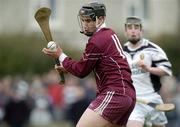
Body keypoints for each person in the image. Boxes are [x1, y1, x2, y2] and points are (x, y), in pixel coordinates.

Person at [42, 2, 136, 127]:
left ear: (101, 19)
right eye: (83, 21)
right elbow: (88, 66)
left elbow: (81, 70)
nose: (85, 25)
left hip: (114, 94)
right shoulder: (109, 34)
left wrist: (60, 55)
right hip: (128, 96)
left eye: (88, 21)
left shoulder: (97, 40)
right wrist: (67, 67)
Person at [123, 16, 172, 127]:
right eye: (130, 27)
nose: (133, 30)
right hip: (133, 101)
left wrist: (148, 69)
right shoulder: (120, 52)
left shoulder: (153, 49)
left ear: (141, 31)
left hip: (153, 99)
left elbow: (166, 70)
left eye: (136, 27)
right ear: (126, 32)